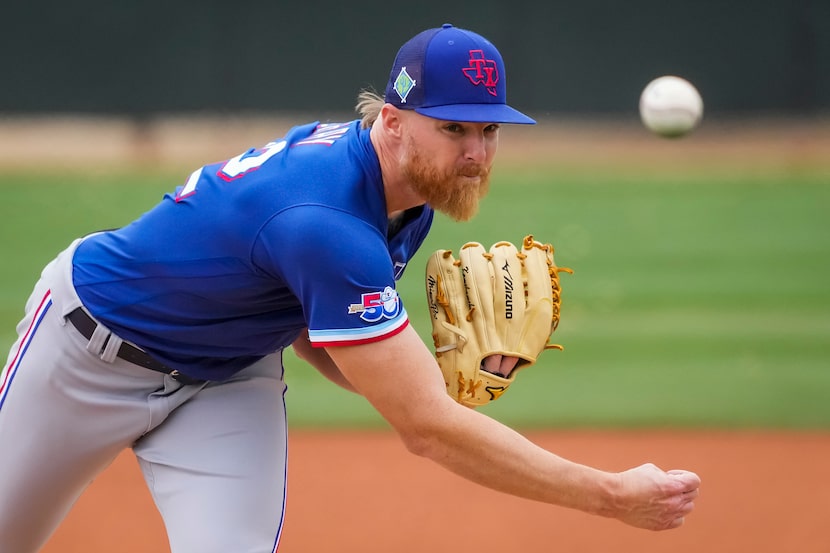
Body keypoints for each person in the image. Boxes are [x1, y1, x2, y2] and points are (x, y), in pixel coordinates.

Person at [0, 24, 700, 553]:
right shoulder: (327, 221)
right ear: (391, 123)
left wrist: (421, 381)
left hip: (225, 378)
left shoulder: (407, 191)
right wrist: (611, 495)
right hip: (86, 350)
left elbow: (313, 332)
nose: (477, 155)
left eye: (489, 130)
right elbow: (424, 430)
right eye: (453, 127)